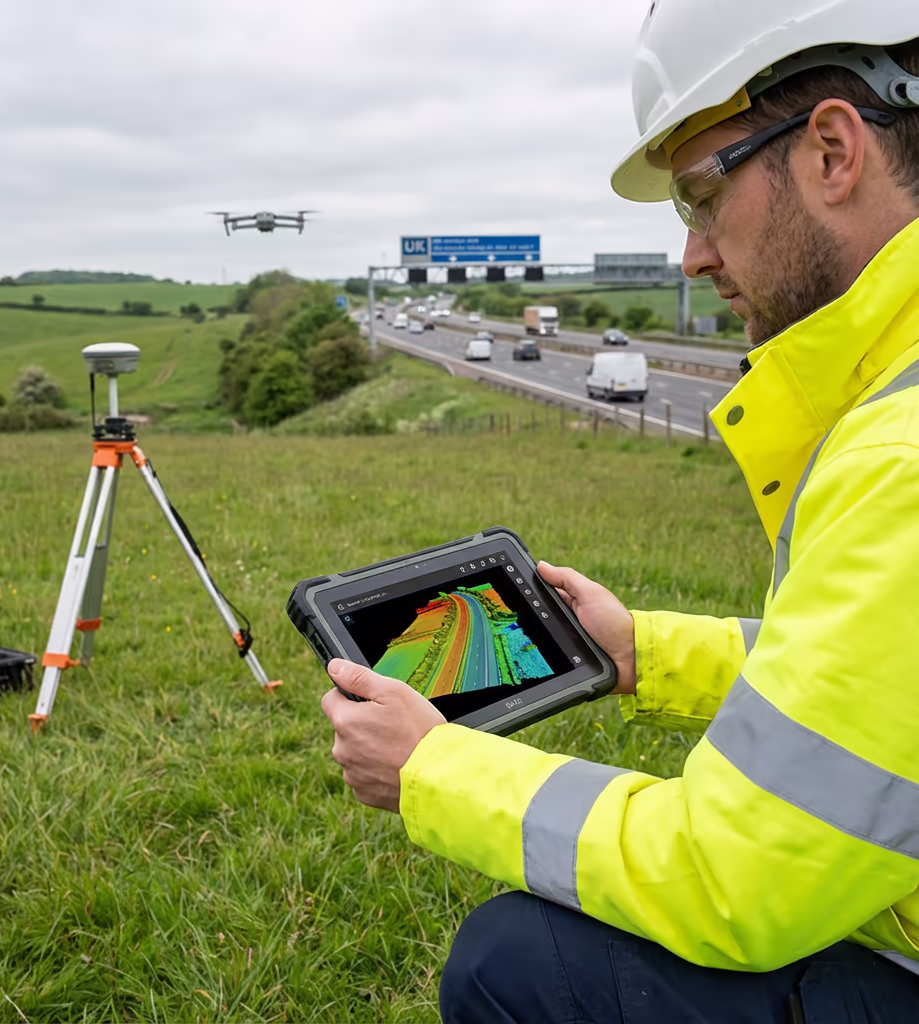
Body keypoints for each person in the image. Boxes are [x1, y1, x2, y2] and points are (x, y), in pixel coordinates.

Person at [321, 3, 919, 1020]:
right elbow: (869, 698)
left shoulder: (899, 457)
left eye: (698, 193)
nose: (690, 255)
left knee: (517, 959)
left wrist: (433, 765)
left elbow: (731, 878)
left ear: (830, 151)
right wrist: (636, 650)